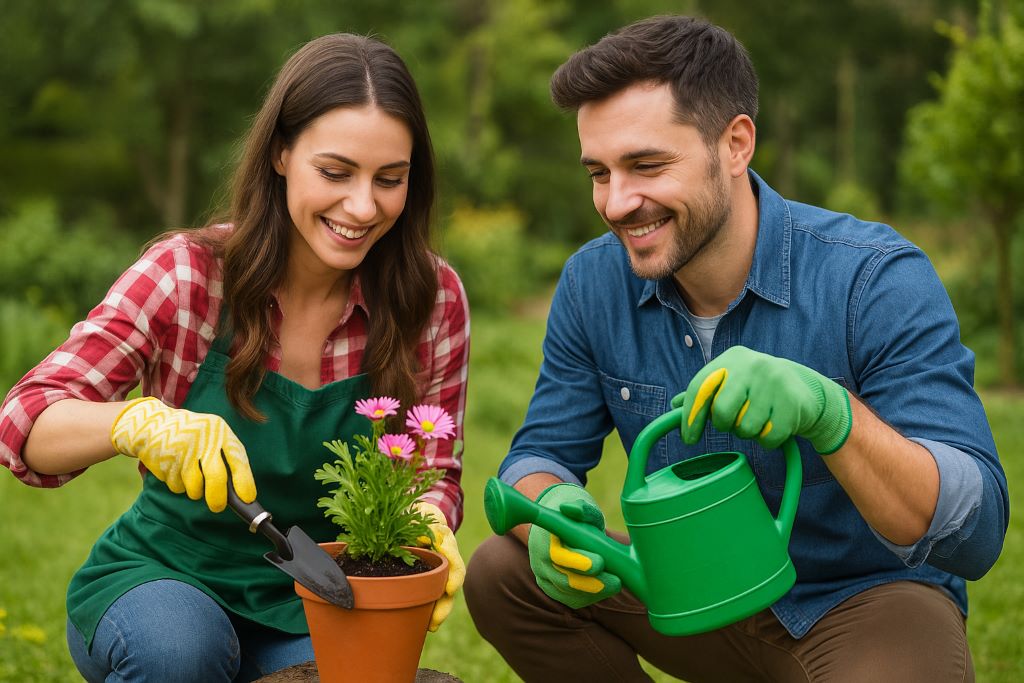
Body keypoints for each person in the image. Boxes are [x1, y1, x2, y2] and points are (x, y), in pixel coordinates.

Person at [464, 15, 1007, 683]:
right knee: (502, 570)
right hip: (688, 589)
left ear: (736, 143)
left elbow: (976, 530)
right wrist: (549, 511)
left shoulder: (873, 277)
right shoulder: (591, 281)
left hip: (860, 602)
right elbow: (538, 455)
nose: (615, 202)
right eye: (598, 172)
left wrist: (831, 413)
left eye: (646, 165)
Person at [0, 33, 469, 683]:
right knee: (180, 652)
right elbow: (26, 419)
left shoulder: (431, 297)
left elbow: (434, 468)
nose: (363, 207)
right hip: (163, 579)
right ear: (280, 152)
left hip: (316, 592)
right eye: (335, 172)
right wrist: (133, 421)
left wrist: (426, 521)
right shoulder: (188, 275)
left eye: (390, 179)